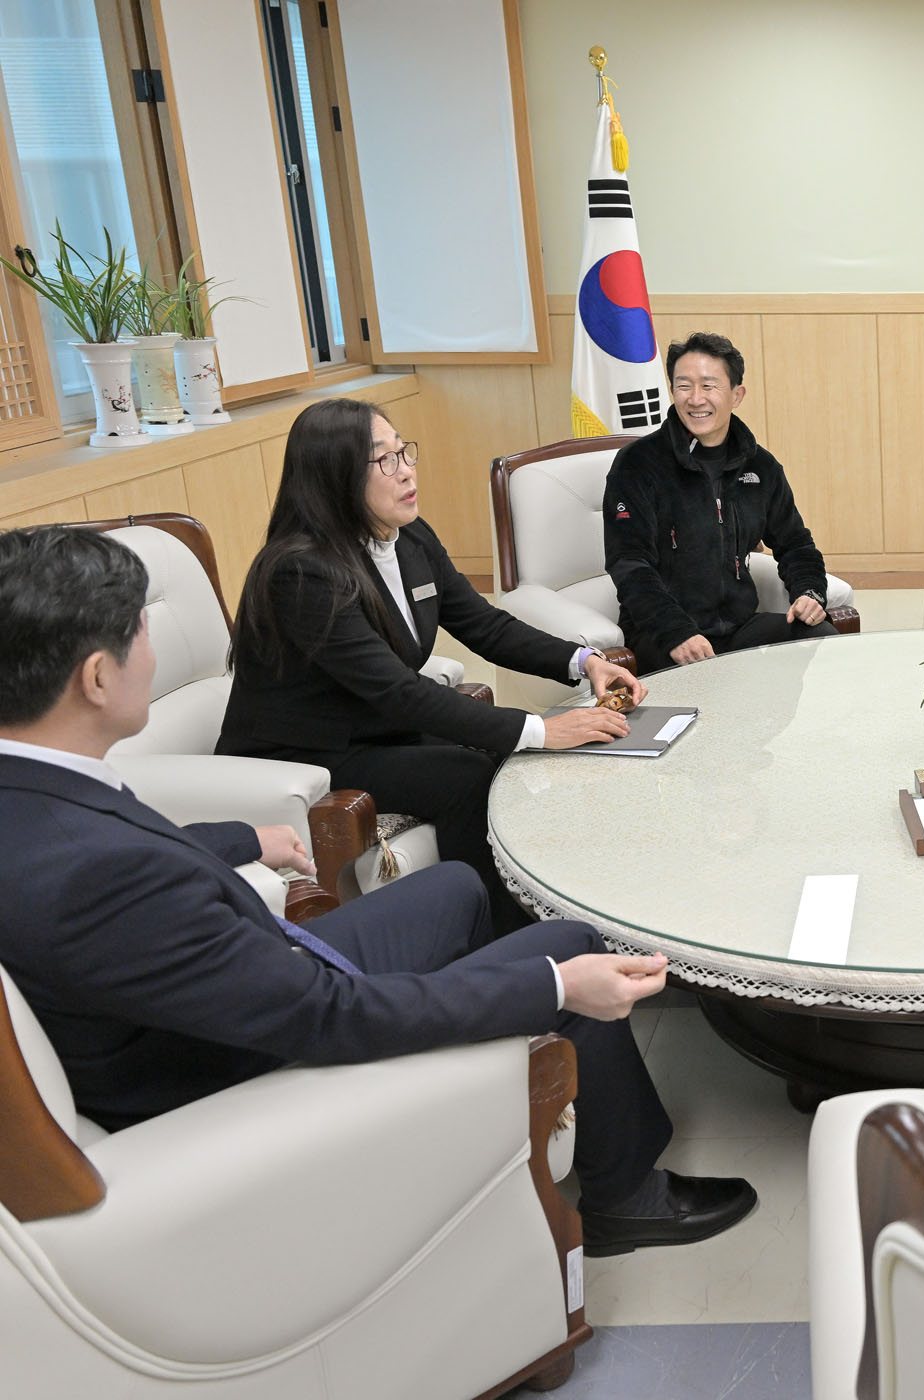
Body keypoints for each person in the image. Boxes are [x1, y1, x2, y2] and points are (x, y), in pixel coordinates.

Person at [0, 525, 753, 1255]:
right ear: (96, 677)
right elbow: (326, 1016)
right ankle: (627, 1199)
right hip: (253, 1060)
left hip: (237, 989)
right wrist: (552, 985)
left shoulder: (35, 792)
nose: (152, 652)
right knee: (566, 949)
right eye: (140, 632)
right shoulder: (98, 876)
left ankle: (503, 1078)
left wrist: (242, 839)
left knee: (457, 886)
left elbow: (127, 855)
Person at [217, 398, 639, 932]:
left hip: (374, 727)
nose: (406, 471)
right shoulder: (302, 572)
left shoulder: (411, 537)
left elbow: (484, 625)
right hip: (309, 752)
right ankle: (494, 937)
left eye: (404, 452)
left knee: (510, 756)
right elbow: (399, 692)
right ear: (335, 477)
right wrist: (541, 728)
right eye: (384, 460)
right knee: (469, 775)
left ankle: (567, 904)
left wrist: (583, 660)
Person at [603, 332, 836, 672]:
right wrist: (676, 632)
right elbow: (629, 563)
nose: (696, 399)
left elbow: (795, 545)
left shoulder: (761, 466)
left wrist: (809, 592)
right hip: (662, 635)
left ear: (736, 395)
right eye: (684, 386)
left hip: (739, 627)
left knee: (822, 637)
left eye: (709, 386)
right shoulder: (637, 464)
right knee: (712, 688)